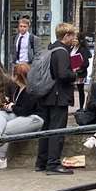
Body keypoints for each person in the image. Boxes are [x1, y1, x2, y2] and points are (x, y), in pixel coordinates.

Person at [0, 63, 44, 170]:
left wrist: (12, 107)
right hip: (21, 115)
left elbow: (25, 111)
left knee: (6, 129)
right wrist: (10, 107)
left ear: (17, 76)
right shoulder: (18, 89)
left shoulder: (30, 90)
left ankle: (1, 159)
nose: (12, 77)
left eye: (14, 74)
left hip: (34, 118)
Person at [36, 22, 77, 175]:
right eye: (72, 35)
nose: (74, 38)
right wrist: (75, 74)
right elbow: (63, 74)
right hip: (58, 96)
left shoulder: (51, 48)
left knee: (45, 129)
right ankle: (53, 164)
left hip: (46, 95)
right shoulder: (62, 52)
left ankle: (41, 162)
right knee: (57, 130)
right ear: (66, 36)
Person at [72, 33, 92, 108]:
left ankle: (81, 107)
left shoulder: (82, 49)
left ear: (80, 40)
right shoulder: (71, 48)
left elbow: (86, 63)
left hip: (80, 73)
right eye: (73, 38)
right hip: (72, 71)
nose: (74, 40)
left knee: (80, 90)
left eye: (76, 39)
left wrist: (79, 68)